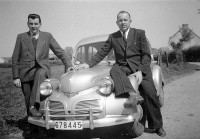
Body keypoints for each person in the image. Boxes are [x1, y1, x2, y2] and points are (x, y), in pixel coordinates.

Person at [85, 11, 166, 137]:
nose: (123, 22)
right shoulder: (113, 37)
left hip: (140, 67)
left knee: (150, 93)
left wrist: (140, 71)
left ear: (130, 21)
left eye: (125, 20)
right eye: (120, 20)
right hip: (123, 67)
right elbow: (102, 53)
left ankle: (157, 126)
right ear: (117, 23)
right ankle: (133, 94)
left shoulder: (139, 33)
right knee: (114, 69)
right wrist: (88, 65)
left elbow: (145, 55)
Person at [12, 14, 71, 136]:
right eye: (31, 24)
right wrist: (16, 77)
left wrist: (68, 64)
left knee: (40, 80)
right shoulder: (21, 37)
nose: (34, 26)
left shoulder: (47, 36)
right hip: (25, 73)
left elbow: (59, 51)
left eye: (36, 24)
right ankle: (33, 130)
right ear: (28, 24)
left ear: (40, 24)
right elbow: (15, 58)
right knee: (28, 100)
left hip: (41, 70)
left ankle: (38, 115)